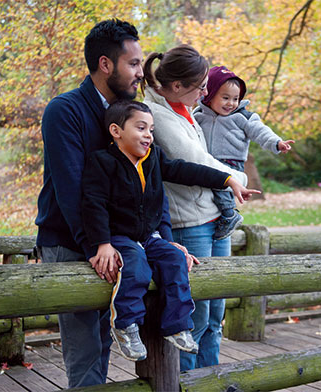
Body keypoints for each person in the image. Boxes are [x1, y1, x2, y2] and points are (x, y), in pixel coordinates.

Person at [34, 19, 181, 387]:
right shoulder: (64, 111)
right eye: (133, 64)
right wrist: (97, 248)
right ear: (105, 64)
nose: (140, 73)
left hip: (122, 244)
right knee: (87, 354)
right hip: (71, 243)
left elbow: (151, 184)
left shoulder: (131, 115)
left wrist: (161, 237)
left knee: (121, 342)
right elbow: (71, 190)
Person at [81, 100, 259, 362]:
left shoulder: (153, 157)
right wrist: (102, 243)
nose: (148, 135)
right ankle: (126, 325)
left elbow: (184, 170)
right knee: (136, 266)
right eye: (141, 128)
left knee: (175, 259)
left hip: (149, 236)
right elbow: (92, 203)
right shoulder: (102, 162)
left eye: (151, 130)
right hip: (119, 237)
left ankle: (177, 325)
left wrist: (227, 180)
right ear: (116, 131)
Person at [142, 44, 249, 371]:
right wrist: (237, 177)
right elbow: (194, 161)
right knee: (196, 317)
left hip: (214, 219)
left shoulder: (183, 107)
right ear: (176, 86)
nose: (206, 92)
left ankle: (211, 378)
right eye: (200, 86)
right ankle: (187, 382)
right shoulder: (158, 114)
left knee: (216, 314)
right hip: (190, 224)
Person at [194, 65, 295, 240]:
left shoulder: (243, 117)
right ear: (209, 95)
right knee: (208, 185)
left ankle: (229, 215)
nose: (231, 103)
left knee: (220, 184)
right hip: (208, 159)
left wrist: (276, 143)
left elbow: (260, 131)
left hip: (231, 161)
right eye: (225, 98)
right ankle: (219, 216)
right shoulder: (198, 115)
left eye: (235, 98)